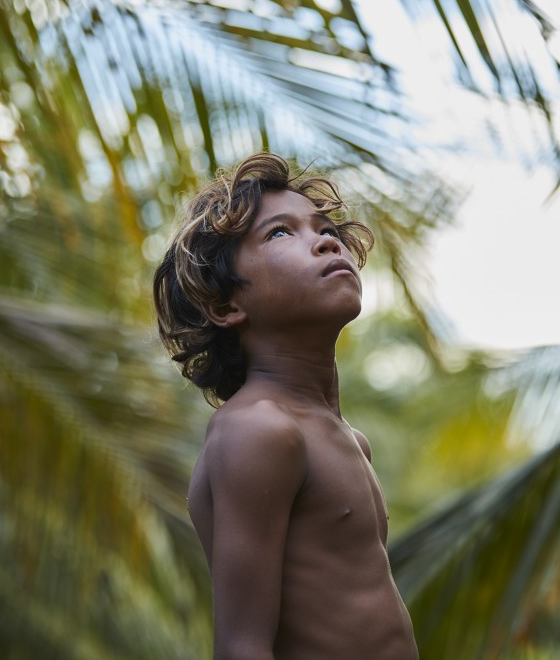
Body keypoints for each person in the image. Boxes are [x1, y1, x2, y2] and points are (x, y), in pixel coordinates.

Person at [153, 153, 418, 660]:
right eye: (280, 233)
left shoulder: (347, 438)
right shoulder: (258, 430)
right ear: (226, 306)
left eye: (324, 228)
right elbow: (242, 647)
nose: (326, 240)